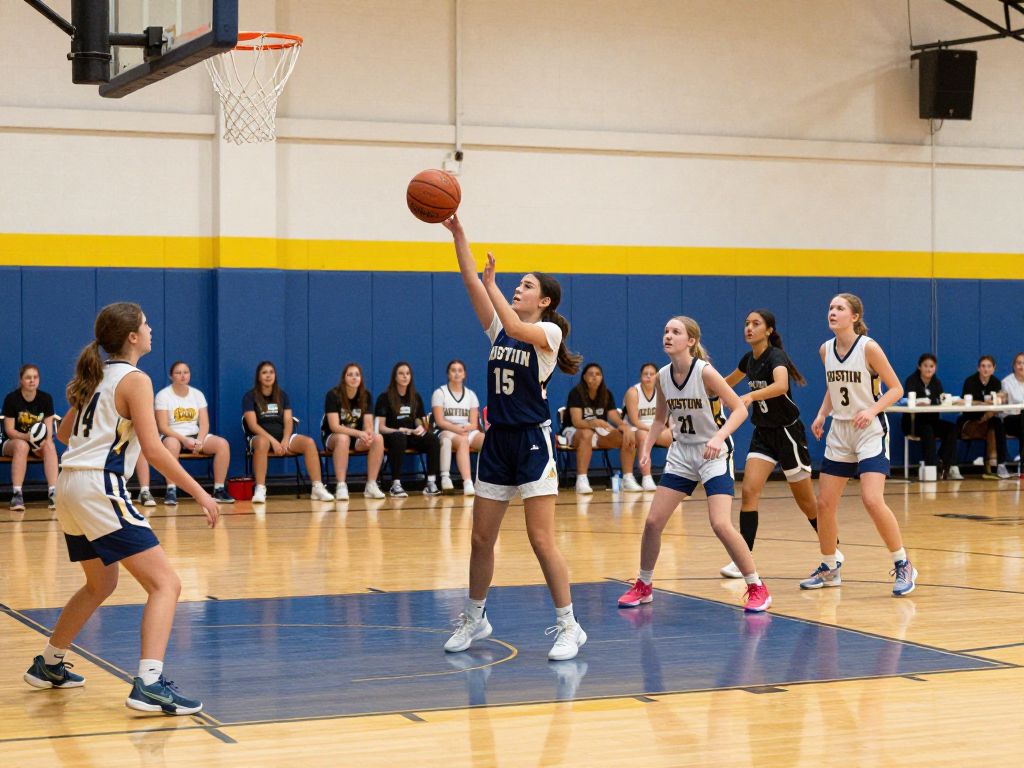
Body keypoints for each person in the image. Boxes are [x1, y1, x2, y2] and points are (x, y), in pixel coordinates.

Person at [22, 302, 218, 714]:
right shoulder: (136, 380)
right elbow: (154, 451)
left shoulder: (97, 376)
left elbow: (62, 431)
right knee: (166, 584)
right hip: (98, 486)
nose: (151, 330)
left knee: (100, 584)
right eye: (146, 325)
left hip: (71, 486)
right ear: (131, 337)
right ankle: (148, 685)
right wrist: (200, 493)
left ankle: (49, 664)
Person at [441, 214, 588, 661]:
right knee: (480, 539)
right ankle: (475, 616)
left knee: (540, 538)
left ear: (543, 300)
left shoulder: (547, 332)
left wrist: (494, 287)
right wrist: (459, 235)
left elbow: (516, 326)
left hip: (531, 442)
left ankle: (569, 625)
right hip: (498, 441)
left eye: (525, 286)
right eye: (516, 285)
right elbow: (471, 283)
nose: (517, 289)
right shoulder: (499, 330)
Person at [617, 316, 771, 613]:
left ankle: (757, 586)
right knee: (652, 522)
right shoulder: (663, 375)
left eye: (675, 331)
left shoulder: (705, 373)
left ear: (691, 341)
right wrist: (647, 447)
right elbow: (660, 418)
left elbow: (739, 410)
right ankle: (644, 584)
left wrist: (719, 437)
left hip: (713, 452)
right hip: (682, 453)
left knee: (720, 523)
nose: (668, 335)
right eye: (665, 330)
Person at [804, 293, 916, 596]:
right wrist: (822, 414)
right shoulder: (825, 350)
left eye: (839, 308)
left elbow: (895, 389)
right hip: (840, 430)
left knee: (871, 499)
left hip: (869, 430)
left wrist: (872, 409)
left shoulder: (869, 347)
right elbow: (834, 386)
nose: (832, 312)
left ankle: (903, 562)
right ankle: (829, 566)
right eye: (830, 307)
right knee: (824, 504)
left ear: (854, 317)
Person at [720, 309, 830, 579]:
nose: (749, 328)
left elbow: (781, 385)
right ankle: (743, 558)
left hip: (788, 434)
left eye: (756, 324)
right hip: (764, 434)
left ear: (768, 330)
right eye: (746, 323)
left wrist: (750, 396)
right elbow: (724, 384)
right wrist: (701, 388)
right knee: (748, 491)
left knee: (806, 503)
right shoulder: (748, 360)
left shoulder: (775, 357)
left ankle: (832, 549)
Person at [242, 361, 334, 504]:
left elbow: (288, 421)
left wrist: (285, 440)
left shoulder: (282, 396)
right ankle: (260, 489)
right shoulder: (250, 397)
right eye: (264, 372)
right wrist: (273, 441)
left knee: (309, 443)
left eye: (271, 372)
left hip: (282, 437)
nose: (268, 375)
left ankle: (317, 487)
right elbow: (252, 425)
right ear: (258, 377)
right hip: (260, 437)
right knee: (262, 442)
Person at [154, 361, 235, 505]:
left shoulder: (197, 395)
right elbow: (162, 427)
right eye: (178, 373)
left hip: (194, 435)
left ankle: (219, 489)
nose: (182, 376)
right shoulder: (163, 395)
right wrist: (184, 440)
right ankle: (171, 489)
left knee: (222, 444)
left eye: (186, 372)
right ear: (171, 376)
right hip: (173, 435)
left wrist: (200, 440)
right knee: (172, 445)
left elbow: (204, 424)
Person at [561, 362, 635, 494]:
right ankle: (581, 479)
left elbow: (613, 415)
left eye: (598, 374)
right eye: (591, 374)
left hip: (598, 433)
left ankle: (628, 478)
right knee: (586, 434)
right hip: (573, 431)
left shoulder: (606, 394)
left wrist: (624, 426)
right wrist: (593, 422)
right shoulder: (576, 393)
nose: (594, 377)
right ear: (584, 377)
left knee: (627, 436)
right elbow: (577, 421)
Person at [374, 362, 442, 497]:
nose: (405, 376)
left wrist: (420, 428)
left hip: (410, 435)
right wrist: (397, 430)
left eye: (407, 373)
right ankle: (395, 484)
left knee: (433, 440)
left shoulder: (415, 397)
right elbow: (380, 427)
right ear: (394, 377)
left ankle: (431, 483)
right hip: (392, 435)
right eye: (401, 373)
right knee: (399, 437)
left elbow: (419, 420)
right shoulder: (384, 398)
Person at [321, 362, 386, 500]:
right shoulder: (333, 395)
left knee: (378, 438)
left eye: (357, 375)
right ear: (344, 378)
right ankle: (341, 485)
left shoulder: (366, 395)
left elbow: (368, 422)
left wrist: (368, 433)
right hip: (333, 437)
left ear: (361, 378)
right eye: (350, 374)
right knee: (343, 438)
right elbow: (334, 426)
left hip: (357, 437)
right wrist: (359, 433)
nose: (354, 377)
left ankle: (371, 485)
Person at [2, 364, 59, 511]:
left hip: (36, 444)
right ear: (21, 380)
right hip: (13, 442)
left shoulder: (46, 399)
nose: (32, 380)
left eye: (35, 377)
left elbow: (48, 431)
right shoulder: (12, 399)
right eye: (28, 377)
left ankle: (54, 494)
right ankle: (17, 495)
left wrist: (44, 443)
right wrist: (28, 437)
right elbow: (9, 430)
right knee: (22, 446)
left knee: (50, 446)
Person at [901, 353, 960, 480]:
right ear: (919, 367)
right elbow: (906, 400)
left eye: (931, 366)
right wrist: (917, 402)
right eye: (926, 366)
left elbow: (941, 399)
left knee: (952, 428)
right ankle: (932, 466)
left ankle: (941, 461)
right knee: (927, 429)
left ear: (935, 368)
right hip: (913, 423)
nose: (928, 369)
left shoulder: (936, 382)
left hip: (932, 421)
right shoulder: (911, 381)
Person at [431, 359, 484, 496]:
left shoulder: (471, 395)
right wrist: (457, 430)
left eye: (459, 370)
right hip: (447, 431)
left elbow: (473, 423)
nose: (456, 373)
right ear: (448, 374)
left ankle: (486, 481)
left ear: (464, 374)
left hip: (467, 430)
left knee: (488, 441)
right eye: (453, 370)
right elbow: (439, 421)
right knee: (462, 441)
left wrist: (466, 429)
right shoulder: (440, 393)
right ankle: (467, 482)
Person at [621, 362, 673, 492]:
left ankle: (673, 475)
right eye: (645, 374)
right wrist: (654, 430)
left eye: (652, 374)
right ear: (640, 377)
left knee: (674, 436)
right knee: (643, 436)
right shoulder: (633, 392)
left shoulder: (662, 392)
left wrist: (666, 428)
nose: (649, 377)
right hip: (634, 428)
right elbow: (634, 420)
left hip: (655, 428)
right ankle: (646, 477)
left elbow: (664, 418)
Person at [958, 355, 1010, 479]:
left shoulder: (996, 382)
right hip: (971, 421)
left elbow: (997, 403)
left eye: (989, 366)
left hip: (988, 420)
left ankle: (1001, 464)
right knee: (993, 424)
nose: (986, 369)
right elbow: (966, 401)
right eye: (983, 366)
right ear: (978, 368)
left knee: (997, 423)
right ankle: (989, 461)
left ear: (994, 369)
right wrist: (983, 403)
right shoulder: (970, 381)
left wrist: (1001, 399)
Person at [1001, 352, 1024, 459]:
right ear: (1014, 366)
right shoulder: (1007, 382)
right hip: (1011, 420)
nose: (1022, 366)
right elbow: (1003, 407)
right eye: (1019, 363)